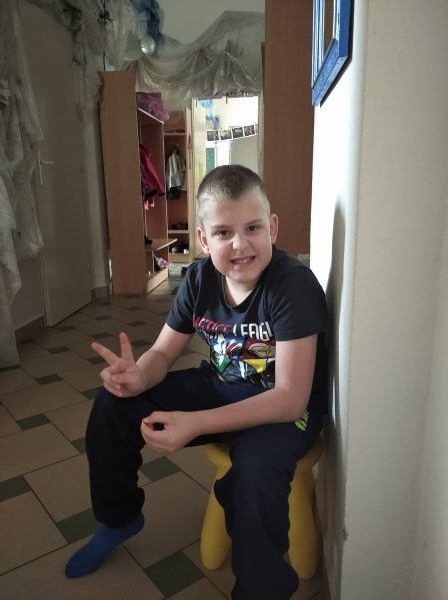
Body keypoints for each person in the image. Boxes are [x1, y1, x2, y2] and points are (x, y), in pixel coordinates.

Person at [65, 165, 328, 600]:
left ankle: (260, 590)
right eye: (223, 232)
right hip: (221, 385)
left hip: (281, 412)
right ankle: (119, 518)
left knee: (254, 479)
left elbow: (290, 400)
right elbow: (163, 353)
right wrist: (138, 376)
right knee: (112, 405)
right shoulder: (200, 278)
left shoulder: (292, 287)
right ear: (204, 240)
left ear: (273, 227)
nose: (240, 244)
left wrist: (197, 423)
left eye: (253, 228)